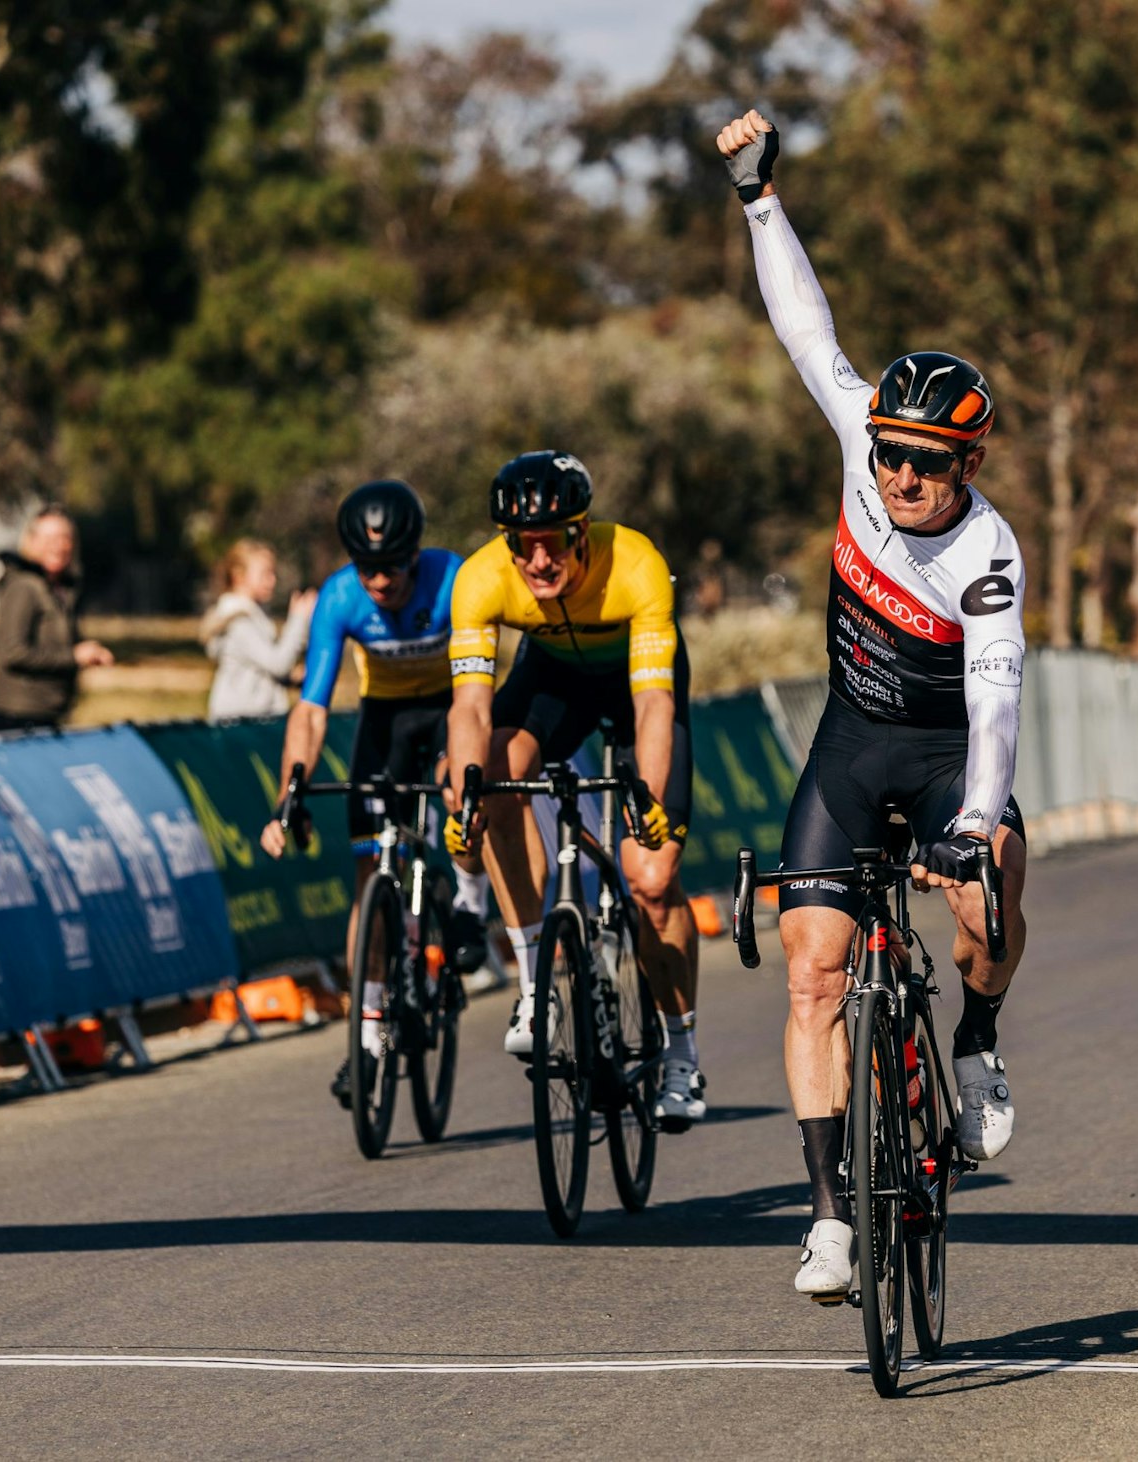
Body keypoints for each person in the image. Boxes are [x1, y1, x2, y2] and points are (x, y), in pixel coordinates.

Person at [717, 110, 1031, 1297]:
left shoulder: (988, 556)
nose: (900, 477)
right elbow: (806, 324)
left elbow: (997, 701)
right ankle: (832, 1214)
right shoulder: (862, 435)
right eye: (891, 454)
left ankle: (980, 1044)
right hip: (852, 741)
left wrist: (975, 820)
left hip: (952, 751)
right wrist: (760, 199)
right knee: (808, 965)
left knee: (992, 895)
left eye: (929, 464)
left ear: (971, 466)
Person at [441, 450, 708, 1130]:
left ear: (581, 532)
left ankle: (680, 1052)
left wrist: (645, 798)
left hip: (634, 686)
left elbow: (650, 707)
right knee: (495, 773)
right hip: (552, 681)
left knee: (650, 880)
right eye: (521, 545)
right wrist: (467, 792)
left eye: (553, 541)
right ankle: (537, 982)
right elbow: (470, 707)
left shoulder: (637, 565)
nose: (537, 561)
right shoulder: (478, 580)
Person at [258, 482, 487, 977]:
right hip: (386, 717)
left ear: (415, 556)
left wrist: (460, 760)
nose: (380, 581)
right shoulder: (340, 597)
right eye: (367, 567)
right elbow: (311, 709)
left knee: (458, 795)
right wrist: (288, 795)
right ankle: (367, 1032)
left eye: (393, 566)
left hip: (452, 704)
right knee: (372, 869)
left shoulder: (453, 579)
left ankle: (471, 904)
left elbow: (477, 692)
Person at [0, 507, 112, 733]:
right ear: (31, 542)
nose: (58, 545)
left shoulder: (60, 590)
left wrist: (88, 652)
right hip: (18, 717)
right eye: (49, 538)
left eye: (65, 538)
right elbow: (13, 652)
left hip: (48, 713)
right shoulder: (24, 586)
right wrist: (73, 656)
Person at [202, 539, 316, 719]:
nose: (272, 580)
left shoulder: (251, 617)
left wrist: (289, 679)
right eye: (265, 574)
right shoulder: (239, 623)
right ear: (239, 576)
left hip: (250, 719)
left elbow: (261, 668)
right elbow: (278, 664)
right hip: (240, 721)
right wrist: (298, 619)